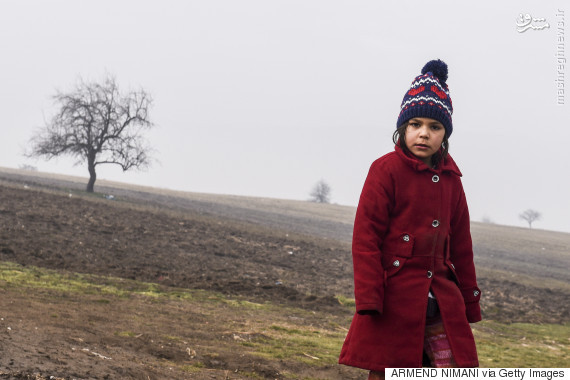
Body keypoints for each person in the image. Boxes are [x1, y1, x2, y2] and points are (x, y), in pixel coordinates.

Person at [338, 59, 482, 378]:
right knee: (391, 371)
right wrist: (370, 296)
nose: (423, 134)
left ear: (444, 134)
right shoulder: (384, 170)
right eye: (415, 124)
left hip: (442, 297)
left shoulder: (451, 179)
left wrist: (470, 300)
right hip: (394, 297)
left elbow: (461, 245)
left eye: (434, 127)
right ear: (403, 127)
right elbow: (366, 238)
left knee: (454, 368)